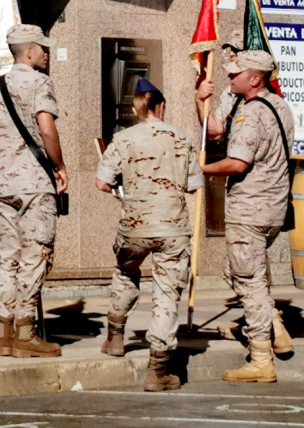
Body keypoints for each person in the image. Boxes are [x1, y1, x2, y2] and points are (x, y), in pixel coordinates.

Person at [96, 78, 203, 391]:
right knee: (167, 294)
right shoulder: (182, 138)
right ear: (162, 105)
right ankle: (158, 368)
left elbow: (102, 182)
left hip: (134, 227)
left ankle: (115, 337)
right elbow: (195, 185)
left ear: (135, 108)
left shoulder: (123, 138)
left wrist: (122, 191)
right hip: (173, 229)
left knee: (126, 274)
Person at [197, 49, 295, 383]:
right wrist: (201, 102)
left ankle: (261, 359)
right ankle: (276, 328)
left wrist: (202, 169)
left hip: (250, 208)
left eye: (236, 73)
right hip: (272, 208)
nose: (229, 77)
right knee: (236, 270)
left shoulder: (251, 114)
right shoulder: (280, 106)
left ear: (255, 79)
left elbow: (238, 163)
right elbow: (214, 131)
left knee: (249, 282)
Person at [0, 24, 68, 358]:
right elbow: (46, 127)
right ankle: (26, 332)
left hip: (2, 184)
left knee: (7, 256)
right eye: (42, 48)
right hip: (33, 183)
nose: (45, 53)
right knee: (35, 254)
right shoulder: (40, 82)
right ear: (28, 51)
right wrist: (59, 165)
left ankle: (3, 331)